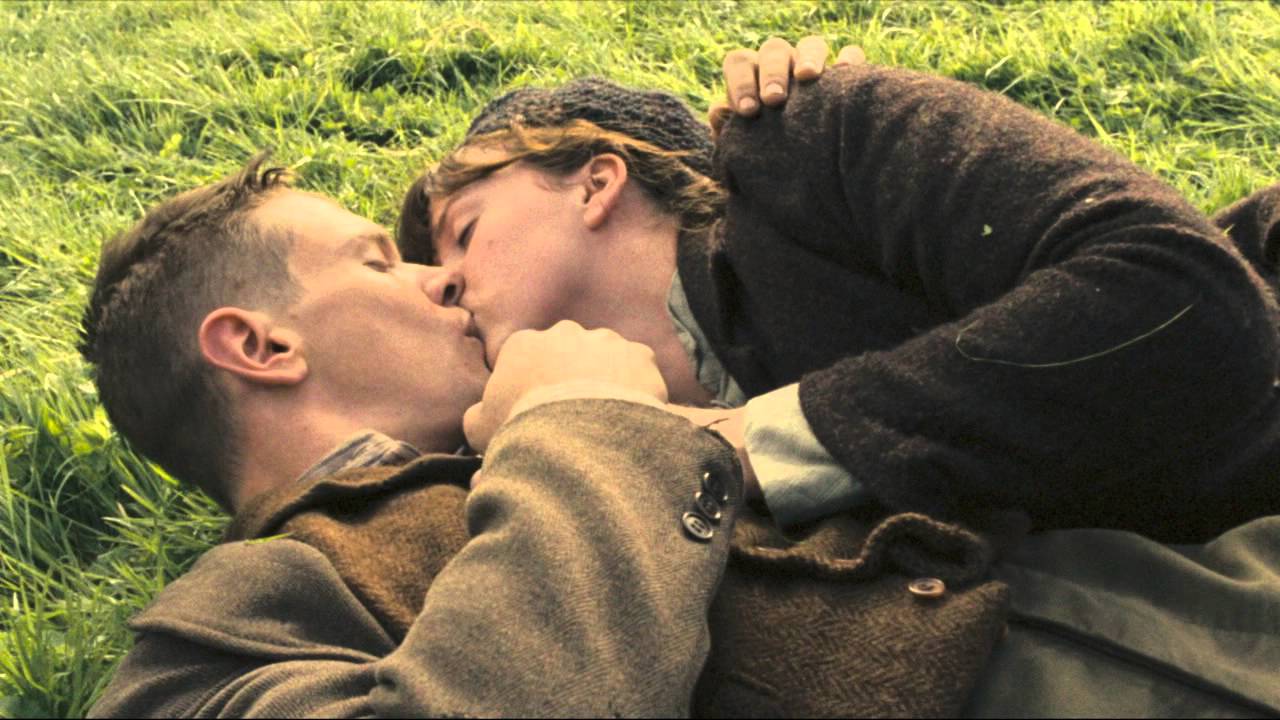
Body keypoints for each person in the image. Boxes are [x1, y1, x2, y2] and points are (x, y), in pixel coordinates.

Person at [395, 44, 1280, 716]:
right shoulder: (555, 467)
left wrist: (763, 443)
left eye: (464, 233)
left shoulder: (814, 139)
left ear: (595, 182)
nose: (448, 284)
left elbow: (1184, 303)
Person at [80, 157, 748, 717]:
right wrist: (583, 424)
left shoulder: (523, 449)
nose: (443, 278)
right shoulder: (201, 667)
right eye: (378, 264)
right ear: (262, 347)